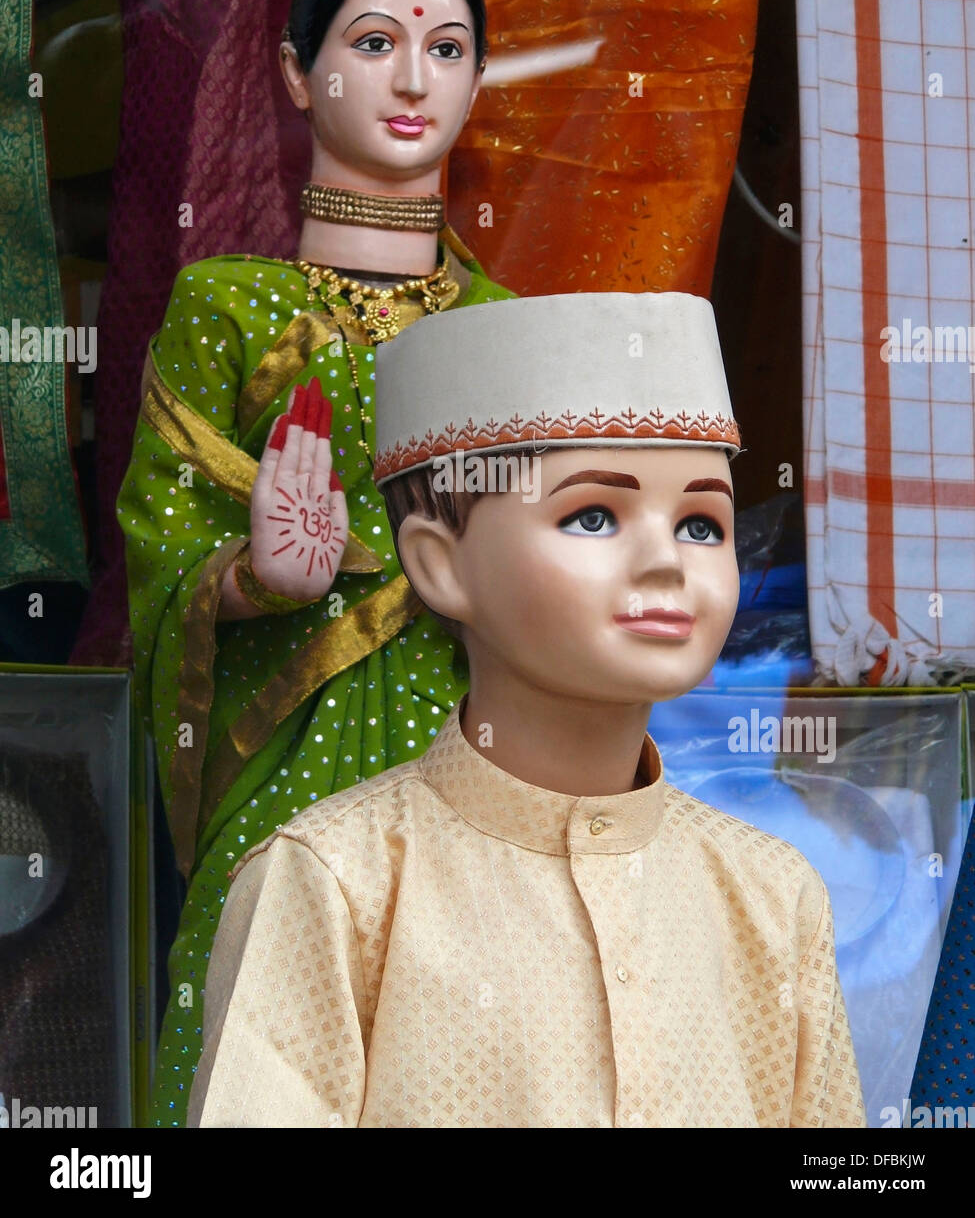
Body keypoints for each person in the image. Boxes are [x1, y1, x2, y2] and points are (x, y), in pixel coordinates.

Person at [188, 291, 867, 1128]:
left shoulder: (772, 894)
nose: (665, 562)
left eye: (700, 524)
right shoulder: (335, 887)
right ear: (441, 567)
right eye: (592, 515)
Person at [117, 0, 514, 1127]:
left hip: (482, 755)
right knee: (270, 1048)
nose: (412, 79)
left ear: (478, 82)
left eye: (447, 49)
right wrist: (246, 580)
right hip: (282, 748)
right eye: (376, 40)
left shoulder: (511, 324)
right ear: (298, 74)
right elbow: (158, 538)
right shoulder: (229, 304)